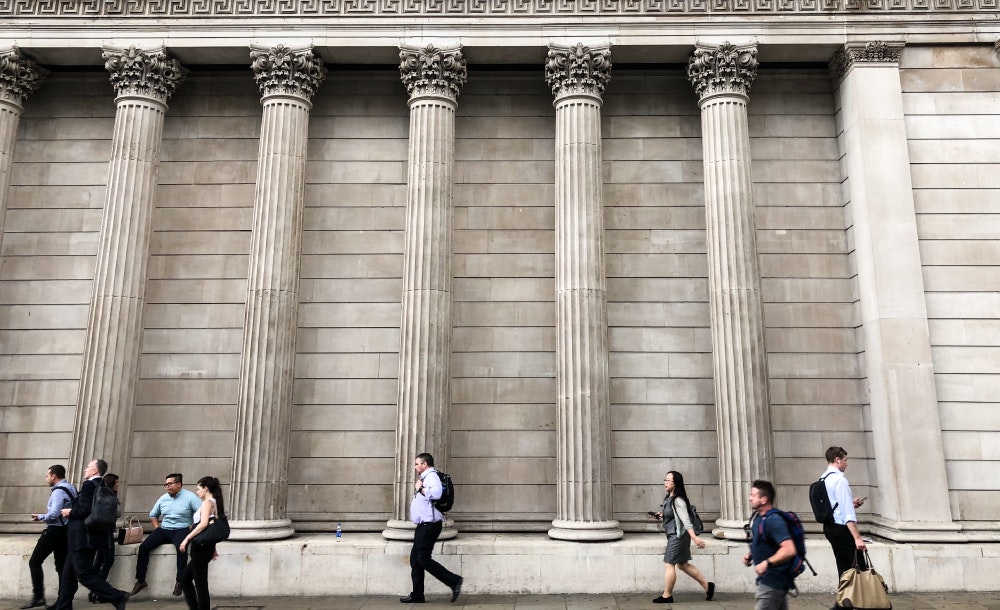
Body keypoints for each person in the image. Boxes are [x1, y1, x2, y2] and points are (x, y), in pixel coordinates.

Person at [54, 458, 128, 610]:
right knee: (68, 575)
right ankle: (63, 607)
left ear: (95, 471)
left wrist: (70, 512)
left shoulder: (89, 485)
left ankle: (117, 595)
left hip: (81, 538)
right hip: (89, 537)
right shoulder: (102, 485)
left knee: (84, 575)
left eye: (88, 467)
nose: (85, 469)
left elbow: (85, 510)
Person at [399, 453, 463, 604]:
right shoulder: (426, 477)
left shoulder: (431, 477)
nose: (415, 467)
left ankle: (454, 581)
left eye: (417, 464)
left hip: (430, 525)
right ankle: (417, 595)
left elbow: (436, 493)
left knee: (423, 559)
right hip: (424, 525)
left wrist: (421, 488)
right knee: (415, 560)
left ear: (425, 464)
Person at [128, 473, 202, 598]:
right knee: (144, 547)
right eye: (166, 484)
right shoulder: (163, 498)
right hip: (164, 529)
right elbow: (153, 515)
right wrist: (157, 528)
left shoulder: (190, 497)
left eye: (170, 484)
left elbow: (202, 512)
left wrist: (192, 527)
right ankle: (140, 581)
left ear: (179, 484)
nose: (167, 486)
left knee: (181, 548)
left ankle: (180, 582)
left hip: (182, 529)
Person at [648, 470, 715, 604]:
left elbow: (686, 521)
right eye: (665, 479)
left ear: (676, 483)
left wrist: (695, 538)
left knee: (669, 563)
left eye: (669, 480)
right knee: (683, 564)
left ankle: (667, 595)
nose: (666, 482)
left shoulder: (678, 500)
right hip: (676, 536)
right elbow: (673, 515)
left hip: (677, 537)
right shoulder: (669, 498)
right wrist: (662, 515)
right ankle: (708, 586)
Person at [20, 464, 78, 609]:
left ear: (54, 476)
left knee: (34, 562)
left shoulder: (58, 492)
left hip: (55, 531)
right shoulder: (71, 488)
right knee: (62, 567)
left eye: (47, 476)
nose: (46, 478)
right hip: (66, 532)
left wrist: (40, 517)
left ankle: (39, 597)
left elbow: (54, 514)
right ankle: (63, 601)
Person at [743, 480, 797, 610]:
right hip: (771, 580)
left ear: (764, 499)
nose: (750, 498)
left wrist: (766, 563)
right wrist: (751, 554)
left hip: (773, 581)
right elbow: (765, 542)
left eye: (753, 495)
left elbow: (789, 549)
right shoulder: (759, 518)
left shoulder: (774, 520)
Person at [178, 476, 226, 610]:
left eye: (199, 489)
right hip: (205, 548)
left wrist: (186, 539)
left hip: (200, 548)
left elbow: (204, 524)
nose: (197, 492)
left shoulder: (207, 503)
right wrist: (213, 547)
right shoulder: (215, 502)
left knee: (200, 584)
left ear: (205, 488)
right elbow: (213, 528)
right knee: (186, 581)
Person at [821, 446, 867, 577]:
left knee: (843, 567)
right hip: (842, 528)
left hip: (829, 527)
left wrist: (851, 503)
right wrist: (857, 538)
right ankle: (856, 590)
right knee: (858, 568)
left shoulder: (823, 478)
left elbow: (833, 503)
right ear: (838, 460)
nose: (847, 464)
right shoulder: (840, 480)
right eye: (845, 460)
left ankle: (845, 590)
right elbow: (848, 514)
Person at [89, 474, 119, 604]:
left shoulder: (100, 492)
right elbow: (117, 512)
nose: (118, 485)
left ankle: (93, 591)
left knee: (99, 560)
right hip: (106, 533)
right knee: (108, 560)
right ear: (112, 483)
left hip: (99, 532)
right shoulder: (108, 495)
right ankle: (99, 592)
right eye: (117, 482)